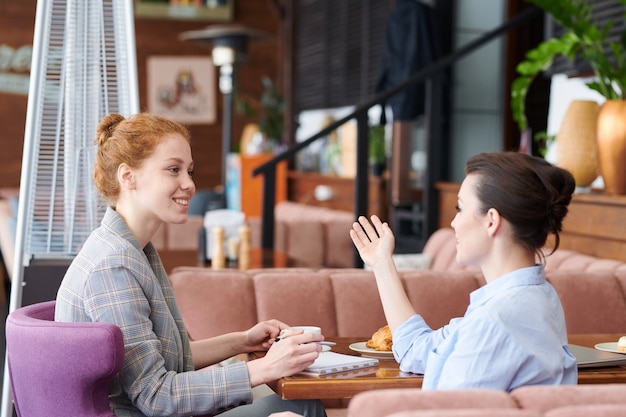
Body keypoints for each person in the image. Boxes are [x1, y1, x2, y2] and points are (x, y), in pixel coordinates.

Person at [55, 112, 328, 417]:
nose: (189, 184)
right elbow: (156, 397)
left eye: (189, 171)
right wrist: (265, 368)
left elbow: (170, 358)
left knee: (300, 402)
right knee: (301, 405)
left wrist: (242, 341)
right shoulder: (113, 266)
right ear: (127, 176)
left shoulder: (131, 250)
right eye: (173, 170)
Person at [350, 151, 578, 391]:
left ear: (491, 221)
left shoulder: (494, 321)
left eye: (460, 208)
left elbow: (449, 409)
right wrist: (382, 263)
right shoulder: (537, 298)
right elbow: (416, 350)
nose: (453, 223)